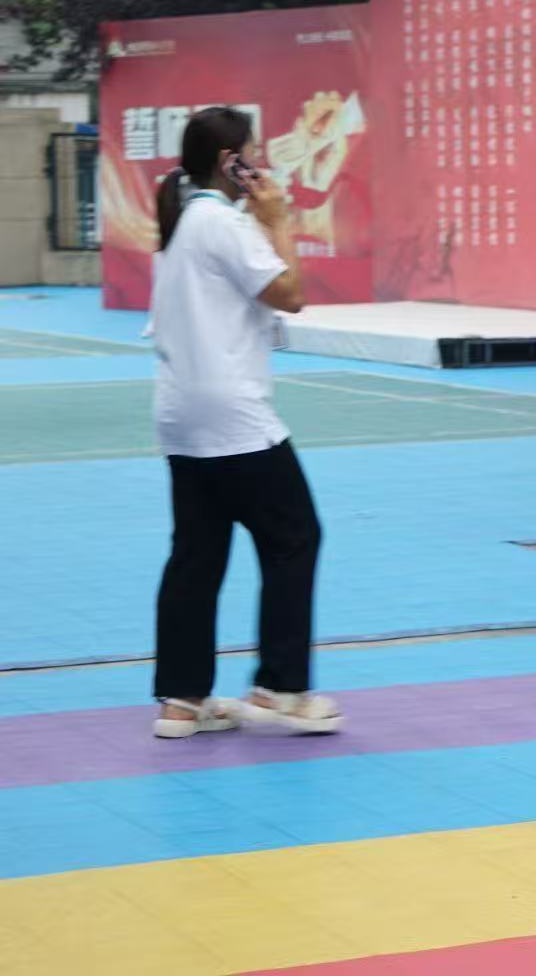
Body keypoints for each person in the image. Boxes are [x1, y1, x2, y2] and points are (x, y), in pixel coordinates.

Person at [149, 107, 342, 738]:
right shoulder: (223, 224)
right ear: (230, 162)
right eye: (252, 153)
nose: (261, 162)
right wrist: (278, 219)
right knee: (295, 536)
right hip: (233, 414)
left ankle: (182, 701)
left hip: (181, 415)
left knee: (197, 555)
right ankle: (281, 688)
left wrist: (261, 221)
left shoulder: (182, 224)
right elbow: (290, 294)